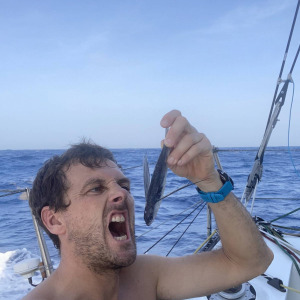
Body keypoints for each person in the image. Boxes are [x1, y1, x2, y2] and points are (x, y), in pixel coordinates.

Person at [25, 110, 273, 300]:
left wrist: (209, 180)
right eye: (96, 188)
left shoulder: (145, 275)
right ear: (54, 220)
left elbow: (251, 262)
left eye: (125, 186)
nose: (121, 194)